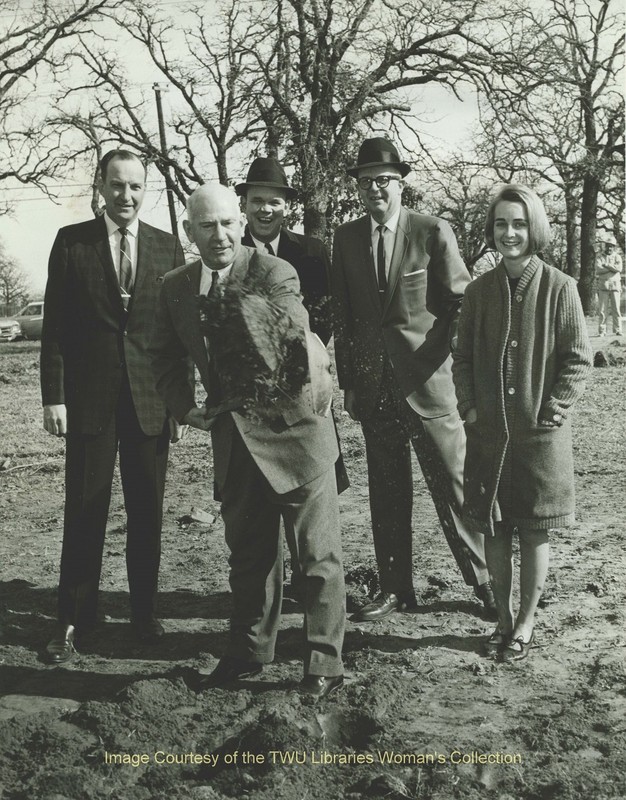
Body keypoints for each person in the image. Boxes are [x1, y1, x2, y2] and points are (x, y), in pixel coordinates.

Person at [148, 184, 345, 698]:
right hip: (234, 440)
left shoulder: (275, 272)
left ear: (241, 223)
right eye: (207, 225)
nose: (220, 235)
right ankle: (249, 652)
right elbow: (163, 354)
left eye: (228, 223)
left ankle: (324, 662)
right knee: (249, 557)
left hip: (296, 434)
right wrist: (183, 406)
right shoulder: (174, 286)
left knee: (316, 558)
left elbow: (281, 343)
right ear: (188, 231)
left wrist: (213, 301)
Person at [331, 136, 494, 623]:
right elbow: (344, 316)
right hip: (374, 386)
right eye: (365, 184)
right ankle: (395, 587)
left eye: (383, 182)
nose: (374, 191)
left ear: (401, 185)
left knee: (455, 484)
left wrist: (449, 364)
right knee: (385, 490)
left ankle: (486, 582)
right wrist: (351, 383)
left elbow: (460, 302)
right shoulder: (346, 239)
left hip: (428, 383)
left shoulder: (431, 231)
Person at [41, 149, 188, 664]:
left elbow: (176, 336)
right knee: (85, 510)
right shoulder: (72, 242)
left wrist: (177, 404)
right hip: (89, 403)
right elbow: (55, 329)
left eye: (136, 187)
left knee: (146, 511)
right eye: (117, 186)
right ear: (101, 186)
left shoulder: (168, 248)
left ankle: (144, 614)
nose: (126, 197)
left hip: (150, 403)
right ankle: (72, 620)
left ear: (145, 190)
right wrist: (53, 397)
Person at [452, 184, 592, 662]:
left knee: (533, 529)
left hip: (538, 437)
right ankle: (504, 618)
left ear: (534, 228)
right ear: (490, 230)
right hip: (488, 433)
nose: (509, 233)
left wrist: (556, 407)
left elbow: (578, 358)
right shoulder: (478, 291)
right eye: (500, 224)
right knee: (493, 527)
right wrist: (469, 406)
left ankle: (527, 622)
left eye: (518, 223)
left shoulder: (560, 286)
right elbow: (462, 358)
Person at [236, 157, 349, 598]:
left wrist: (295, 358)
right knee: (259, 492)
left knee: (312, 486)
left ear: (288, 207)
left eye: (275, 203)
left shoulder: (312, 252)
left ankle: (312, 581)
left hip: (302, 385)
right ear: (244, 205)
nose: (266, 210)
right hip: (251, 392)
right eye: (258, 201)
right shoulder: (229, 247)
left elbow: (323, 313)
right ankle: (272, 587)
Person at [596, 240, 623, 335]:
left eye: (611, 246)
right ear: (605, 246)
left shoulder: (617, 256)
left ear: (614, 247)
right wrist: (612, 269)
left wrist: (607, 266)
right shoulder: (599, 256)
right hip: (604, 286)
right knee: (602, 310)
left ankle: (618, 330)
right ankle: (602, 331)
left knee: (616, 309)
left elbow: (619, 269)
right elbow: (598, 270)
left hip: (615, 286)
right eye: (608, 246)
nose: (609, 248)